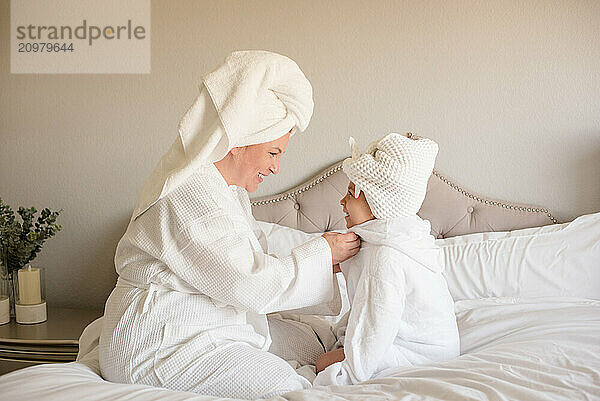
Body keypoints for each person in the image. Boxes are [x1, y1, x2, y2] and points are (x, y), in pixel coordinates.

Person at [99, 50, 360, 399]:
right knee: (284, 387)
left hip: (208, 319)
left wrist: (328, 264)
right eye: (273, 153)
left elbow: (249, 267)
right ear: (238, 144)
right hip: (159, 340)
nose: (276, 168)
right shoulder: (190, 195)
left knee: (316, 345)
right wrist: (322, 252)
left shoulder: (226, 192)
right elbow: (250, 282)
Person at [313, 133, 460, 386]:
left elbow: (376, 328)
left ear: (376, 201)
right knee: (331, 350)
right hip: (435, 347)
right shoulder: (397, 238)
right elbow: (365, 307)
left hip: (423, 354)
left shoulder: (387, 255)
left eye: (350, 193)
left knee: (320, 363)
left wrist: (346, 372)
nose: (342, 201)